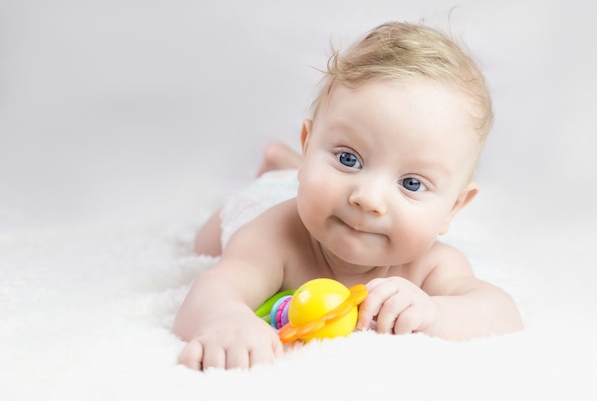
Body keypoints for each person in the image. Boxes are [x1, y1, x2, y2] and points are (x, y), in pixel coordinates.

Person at [173, 21, 524, 370]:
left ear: (454, 207)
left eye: (411, 183)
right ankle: (280, 168)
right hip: (266, 198)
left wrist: (436, 314)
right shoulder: (274, 235)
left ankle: (288, 162)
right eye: (348, 159)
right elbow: (215, 288)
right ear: (310, 144)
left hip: (308, 184)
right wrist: (225, 319)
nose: (368, 198)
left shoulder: (431, 265)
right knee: (206, 242)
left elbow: (500, 312)